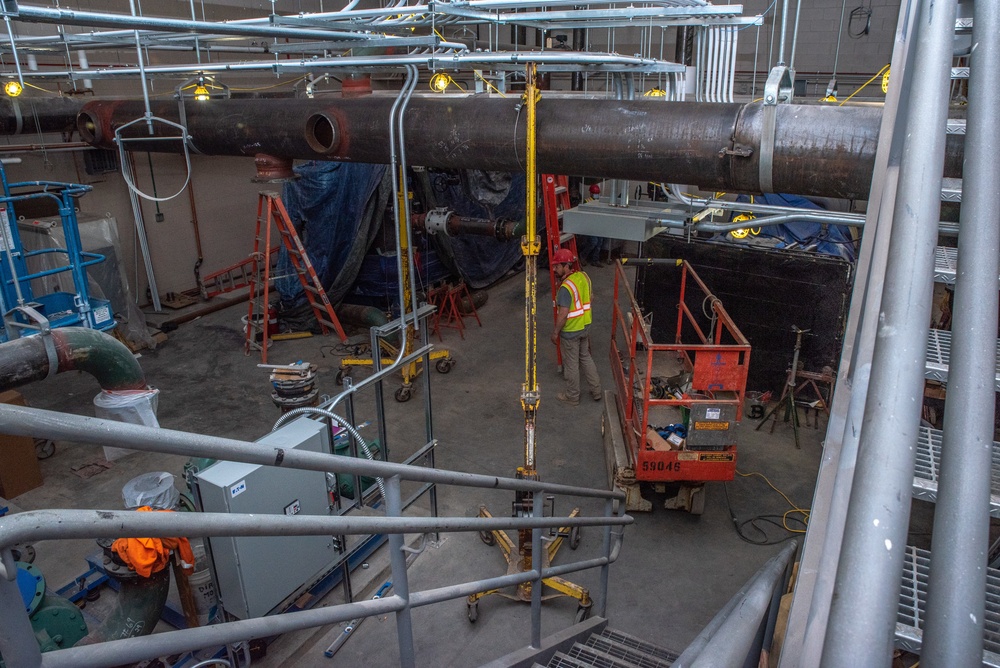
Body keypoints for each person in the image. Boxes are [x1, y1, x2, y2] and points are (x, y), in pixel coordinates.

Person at [550, 248, 602, 406]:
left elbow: (563, 314)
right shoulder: (584, 276)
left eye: (557, 266)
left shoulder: (565, 288)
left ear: (567, 266)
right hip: (585, 327)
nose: (554, 269)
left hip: (571, 331)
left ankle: (572, 396)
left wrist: (555, 332)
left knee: (571, 364)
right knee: (585, 357)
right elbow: (591, 297)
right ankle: (596, 390)